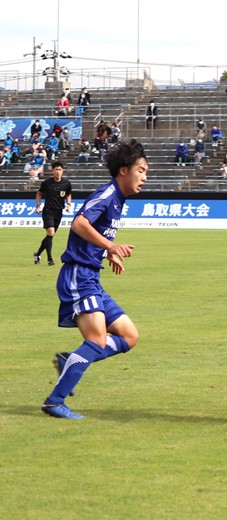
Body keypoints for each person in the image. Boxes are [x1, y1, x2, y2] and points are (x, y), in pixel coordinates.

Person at [41, 140, 148, 419]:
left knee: (129, 336)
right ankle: (55, 401)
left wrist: (105, 252)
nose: (145, 176)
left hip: (91, 276)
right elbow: (79, 223)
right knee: (97, 340)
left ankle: (70, 360)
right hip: (78, 275)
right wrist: (111, 247)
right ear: (123, 170)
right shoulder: (107, 194)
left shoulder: (118, 199)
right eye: (141, 170)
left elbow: (91, 233)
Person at [33, 161, 73, 266]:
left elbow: (68, 194)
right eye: (56, 169)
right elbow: (39, 193)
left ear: (62, 171)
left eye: (60, 170)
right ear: (52, 171)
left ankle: (37, 254)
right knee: (50, 233)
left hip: (59, 212)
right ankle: (50, 259)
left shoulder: (66, 184)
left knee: (50, 236)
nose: (58, 172)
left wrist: (68, 204)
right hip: (48, 211)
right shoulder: (46, 183)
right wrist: (38, 206)